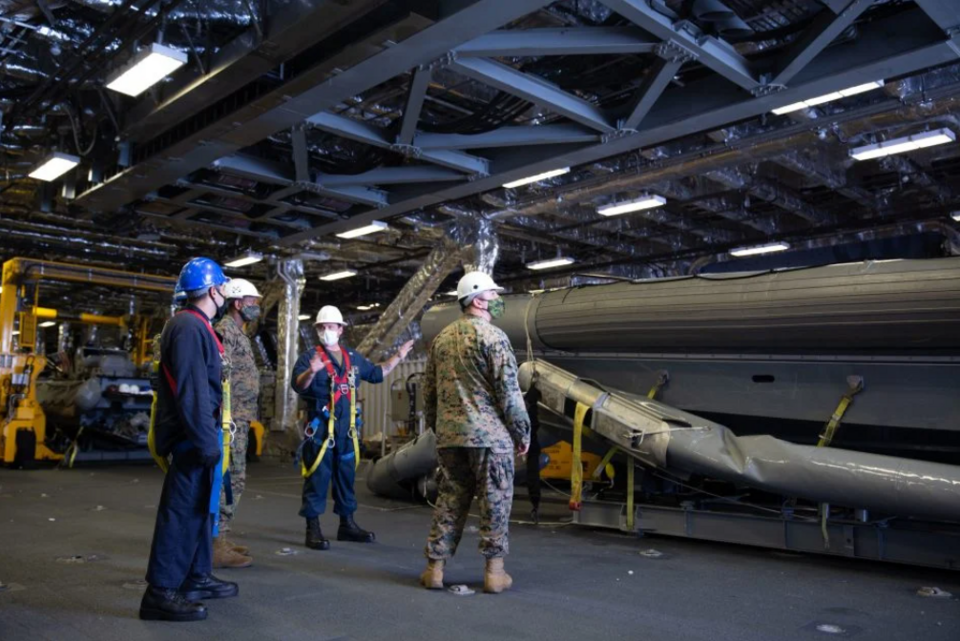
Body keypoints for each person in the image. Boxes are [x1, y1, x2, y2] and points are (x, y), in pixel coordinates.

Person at [419, 271, 531, 594]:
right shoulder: (494, 339)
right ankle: (494, 573)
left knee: (449, 499)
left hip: (451, 439)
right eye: (494, 297)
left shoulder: (440, 341)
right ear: (478, 300)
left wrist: (441, 429)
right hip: (490, 440)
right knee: (495, 500)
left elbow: (429, 395)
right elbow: (509, 394)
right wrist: (522, 433)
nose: (498, 302)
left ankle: (434, 570)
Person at [141, 257, 239, 622]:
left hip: (199, 434)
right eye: (222, 288)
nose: (224, 294)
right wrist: (205, 442)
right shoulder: (187, 327)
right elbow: (192, 391)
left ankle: (195, 578)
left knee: (200, 511)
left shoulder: (197, 326)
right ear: (213, 290)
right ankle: (160, 592)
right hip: (190, 437)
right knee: (180, 513)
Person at [292, 305, 414, 550]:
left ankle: (346, 525)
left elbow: (378, 373)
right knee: (317, 478)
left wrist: (398, 356)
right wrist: (311, 372)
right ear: (317, 330)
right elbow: (299, 385)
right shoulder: (309, 358)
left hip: (347, 431)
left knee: (346, 478)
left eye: (331, 326)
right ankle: (312, 528)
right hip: (320, 431)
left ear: (340, 329)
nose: (327, 330)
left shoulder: (353, 358)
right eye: (322, 327)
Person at [212, 278, 262, 569]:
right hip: (229, 419)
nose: (256, 307)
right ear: (237, 302)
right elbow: (219, 372)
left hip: (239, 418)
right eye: (252, 301)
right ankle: (214, 544)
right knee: (228, 480)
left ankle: (220, 536)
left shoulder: (240, 333)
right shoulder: (225, 331)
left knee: (235, 480)